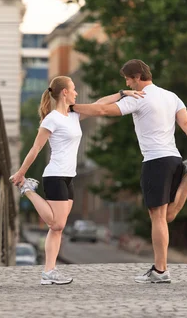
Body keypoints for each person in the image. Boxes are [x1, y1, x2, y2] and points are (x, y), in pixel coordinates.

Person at [70, 59, 187, 284]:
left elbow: (103, 109)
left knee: (157, 217)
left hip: (155, 161)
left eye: (127, 78)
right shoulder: (171, 96)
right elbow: (186, 125)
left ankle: (160, 271)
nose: (127, 83)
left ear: (136, 77)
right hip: (174, 159)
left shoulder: (138, 98)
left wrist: (71, 108)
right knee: (167, 216)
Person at [10, 76, 145, 285]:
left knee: (57, 229)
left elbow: (99, 104)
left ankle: (49, 272)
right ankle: (27, 189)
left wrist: (121, 94)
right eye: (73, 89)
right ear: (64, 92)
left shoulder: (74, 114)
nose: (76, 93)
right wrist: (20, 173)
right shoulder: (51, 119)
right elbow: (36, 148)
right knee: (57, 223)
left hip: (69, 177)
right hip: (54, 175)